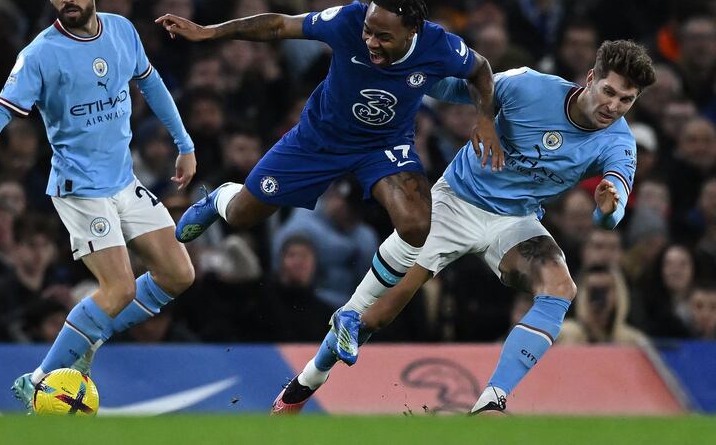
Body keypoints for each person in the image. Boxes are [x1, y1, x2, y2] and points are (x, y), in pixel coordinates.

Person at [273, 40, 656, 414]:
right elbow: (458, 87)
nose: (613, 106)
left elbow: (611, 212)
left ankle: (493, 398)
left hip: (516, 222)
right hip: (454, 203)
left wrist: (607, 210)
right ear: (591, 78)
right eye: (609, 91)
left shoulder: (619, 142)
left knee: (560, 287)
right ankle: (304, 384)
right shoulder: (529, 86)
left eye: (626, 100)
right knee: (373, 316)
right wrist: (407, 72)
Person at [0, 0, 197, 413]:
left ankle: (89, 333)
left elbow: (151, 83)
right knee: (117, 289)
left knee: (179, 274)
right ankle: (37, 382)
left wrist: (184, 143)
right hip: (79, 189)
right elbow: (3, 108)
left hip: (123, 180)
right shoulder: (40, 54)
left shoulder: (121, 31)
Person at [156, 0, 502, 311]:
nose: (370, 42)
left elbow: (481, 70)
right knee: (241, 216)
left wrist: (485, 118)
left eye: (383, 36)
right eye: (368, 31)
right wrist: (211, 31)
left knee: (415, 226)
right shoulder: (348, 20)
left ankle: (358, 312)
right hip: (318, 140)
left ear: (413, 31)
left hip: (384, 145)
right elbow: (280, 25)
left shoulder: (439, 45)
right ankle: (219, 198)